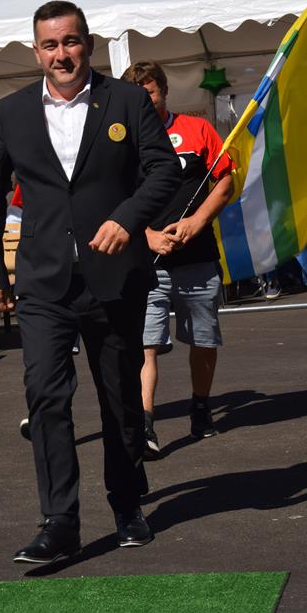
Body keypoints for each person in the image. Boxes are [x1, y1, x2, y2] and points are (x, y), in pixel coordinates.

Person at [0, 0, 182, 565]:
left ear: (88, 44)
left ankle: (127, 504)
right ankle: (59, 522)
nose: (61, 54)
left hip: (114, 278)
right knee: (45, 396)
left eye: (70, 42)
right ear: (36, 51)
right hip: (44, 284)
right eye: (50, 45)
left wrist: (127, 219)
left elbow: (164, 169)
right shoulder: (11, 111)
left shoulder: (127, 100)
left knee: (120, 399)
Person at [121, 61, 233, 458]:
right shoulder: (120, 142)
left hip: (197, 260)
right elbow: (111, 199)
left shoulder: (197, 129)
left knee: (202, 340)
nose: (144, 101)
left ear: (164, 92)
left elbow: (225, 180)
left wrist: (197, 221)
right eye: (136, 96)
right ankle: (145, 424)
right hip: (144, 263)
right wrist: (146, 236)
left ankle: (200, 407)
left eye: (149, 93)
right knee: (145, 346)